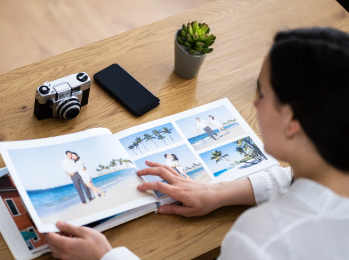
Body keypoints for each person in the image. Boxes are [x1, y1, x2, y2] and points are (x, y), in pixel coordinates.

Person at [46, 27, 349, 259]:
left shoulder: (263, 239)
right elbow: (290, 179)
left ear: (292, 121)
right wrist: (218, 192)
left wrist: (106, 256)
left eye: (262, 93)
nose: (254, 105)